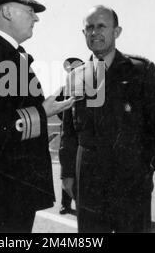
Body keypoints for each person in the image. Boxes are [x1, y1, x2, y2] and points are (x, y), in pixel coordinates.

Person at [0, 0, 74, 233]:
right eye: (30, 10)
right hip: (1, 193)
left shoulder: (6, 53)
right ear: (6, 12)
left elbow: (13, 110)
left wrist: (51, 102)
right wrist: (43, 111)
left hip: (12, 190)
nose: (36, 19)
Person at [59, 5, 155, 233]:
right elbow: (68, 131)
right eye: (89, 27)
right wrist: (68, 173)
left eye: (102, 26)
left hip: (131, 182)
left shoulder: (140, 70)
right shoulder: (75, 76)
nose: (94, 32)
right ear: (83, 34)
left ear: (116, 32)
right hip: (88, 184)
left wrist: (147, 167)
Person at [58, 58, 83, 215]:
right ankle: (65, 204)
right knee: (67, 172)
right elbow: (61, 112)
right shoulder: (63, 90)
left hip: (83, 138)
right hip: (69, 137)